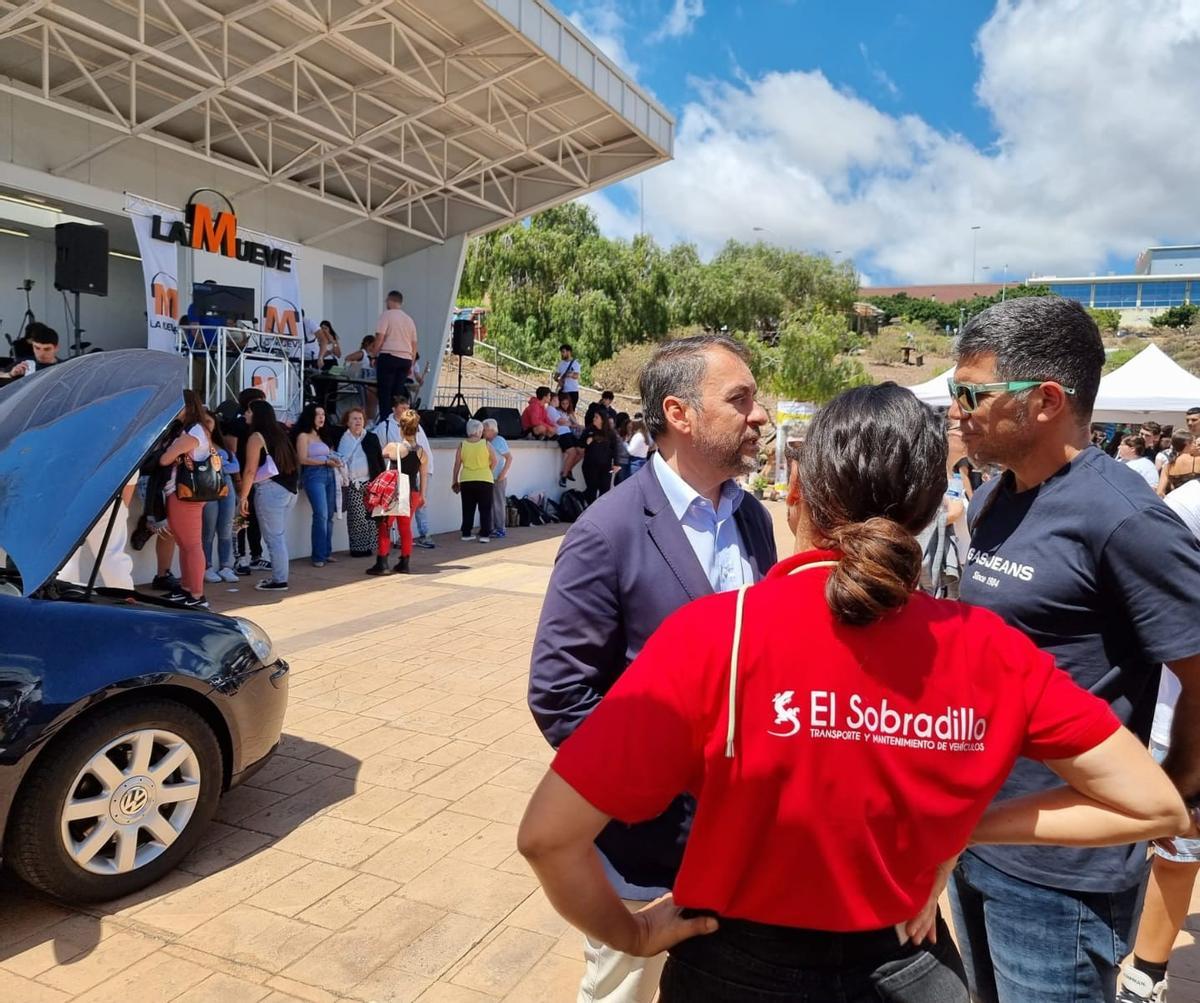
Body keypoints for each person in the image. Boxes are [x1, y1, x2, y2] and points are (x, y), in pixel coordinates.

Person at [519, 383, 1190, 1003]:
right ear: (929, 506)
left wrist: (632, 936)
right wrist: (955, 830)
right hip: (911, 963)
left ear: (798, 490)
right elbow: (1155, 805)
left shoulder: (718, 633)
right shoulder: (989, 647)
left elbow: (548, 838)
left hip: (733, 968)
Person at [946, 296, 1200, 1003]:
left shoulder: (1124, 517)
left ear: (1046, 401)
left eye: (973, 393)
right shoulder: (999, 493)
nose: (959, 409)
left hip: (1064, 872)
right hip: (978, 835)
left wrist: (1176, 784)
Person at [529, 333, 778, 1003]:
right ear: (680, 413)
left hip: (743, 847)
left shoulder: (753, 518)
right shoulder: (606, 531)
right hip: (646, 863)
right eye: (741, 399)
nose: (761, 414)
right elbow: (559, 694)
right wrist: (651, 799)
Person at [158, 389, 213, 609]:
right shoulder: (196, 429)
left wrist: (170, 448)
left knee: (191, 545)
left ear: (187, 407)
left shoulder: (193, 432)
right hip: (184, 493)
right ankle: (187, 588)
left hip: (185, 495)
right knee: (184, 544)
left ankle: (197, 595)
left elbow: (164, 459)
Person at [238, 400, 300, 592]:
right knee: (278, 536)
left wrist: (243, 497)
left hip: (270, 490)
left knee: (274, 538)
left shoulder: (256, 437)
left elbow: (249, 470)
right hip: (288, 490)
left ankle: (280, 580)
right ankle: (280, 577)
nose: (245, 415)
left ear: (257, 414)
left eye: (248, 411)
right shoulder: (280, 433)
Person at [369, 409, 428, 575]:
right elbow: (424, 475)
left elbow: (381, 453)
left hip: (394, 492)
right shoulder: (422, 452)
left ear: (400, 428)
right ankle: (405, 562)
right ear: (417, 429)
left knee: (385, 526)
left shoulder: (393, 448)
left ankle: (382, 562)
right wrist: (423, 495)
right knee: (406, 528)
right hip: (412, 492)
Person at [376, 393, 436, 548]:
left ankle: (423, 534)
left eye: (408, 407)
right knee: (391, 520)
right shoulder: (385, 427)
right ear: (394, 408)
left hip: (413, 474)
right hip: (395, 478)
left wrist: (427, 469)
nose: (406, 410)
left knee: (413, 511)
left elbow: (424, 449)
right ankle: (395, 547)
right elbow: (380, 450)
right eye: (403, 407)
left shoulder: (416, 428)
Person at [223, 387, 268, 573]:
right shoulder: (237, 424)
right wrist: (238, 478)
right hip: (241, 478)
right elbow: (231, 451)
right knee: (240, 518)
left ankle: (256, 556)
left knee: (254, 519)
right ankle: (239, 558)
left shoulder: (260, 426)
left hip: (256, 479)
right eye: (261, 400)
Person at [293, 404, 341, 567]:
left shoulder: (324, 436)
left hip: (329, 474)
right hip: (314, 475)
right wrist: (325, 461)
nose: (321, 418)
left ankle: (326, 551)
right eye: (317, 415)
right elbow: (302, 459)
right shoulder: (303, 436)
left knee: (328, 515)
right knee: (320, 514)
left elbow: (331, 453)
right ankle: (318, 555)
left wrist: (334, 460)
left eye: (323, 414)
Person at [337, 407, 382, 557]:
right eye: (354, 419)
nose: (358, 421)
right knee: (357, 517)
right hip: (353, 483)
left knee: (371, 517)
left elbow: (378, 461)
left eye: (360, 418)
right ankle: (358, 549)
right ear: (347, 422)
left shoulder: (371, 437)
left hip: (370, 482)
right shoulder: (343, 439)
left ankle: (371, 547)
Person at [201, 410, 239, 585]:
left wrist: (220, 465)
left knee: (226, 527)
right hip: (207, 486)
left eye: (209, 421)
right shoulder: (197, 445)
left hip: (227, 485)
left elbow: (235, 467)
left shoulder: (221, 445)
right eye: (203, 422)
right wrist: (222, 465)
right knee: (208, 529)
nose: (207, 425)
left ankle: (226, 566)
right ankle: (206, 566)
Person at [373, 290, 418, 426]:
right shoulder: (409, 320)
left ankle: (385, 423)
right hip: (405, 359)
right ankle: (398, 421)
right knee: (398, 393)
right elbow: (414, 344)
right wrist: (411, 363)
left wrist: (374, 355)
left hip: (389, 356)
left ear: (390, 300)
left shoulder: (386, 315)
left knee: (385, 393)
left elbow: (380, 338)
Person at [452, 419, 497, 543]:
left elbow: (457, 464)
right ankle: (484, 534)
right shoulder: (485, 444)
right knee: (485, 508)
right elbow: (495, 460)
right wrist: (488, 470)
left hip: (467, 479)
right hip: (485, 479)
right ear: (479, 431)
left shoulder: (462, 444)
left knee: (467, 508)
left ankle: (466, 533)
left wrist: (454, 480)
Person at [483, 418, 512, 540]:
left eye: (484, 430)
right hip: (488, 477)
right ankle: (490, 527)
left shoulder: (499, 441)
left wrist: (503, 473)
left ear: (491, 430)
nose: (483, 432)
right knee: (489, 503)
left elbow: (509, 458)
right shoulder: (485, 442)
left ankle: (500, 528)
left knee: (498, 503)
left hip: (498, 477)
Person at [581, 406, 617, 504]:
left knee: (605, 490)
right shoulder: (588, 430)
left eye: (596, 417)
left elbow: (615, 449)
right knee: (591, 489)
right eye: (594, 417)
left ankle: (602, 513)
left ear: (602, 419)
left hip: (606, 466)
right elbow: (580, 443)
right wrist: (587, 441)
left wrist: (617, 463)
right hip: (590, 465)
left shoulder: (610, 433)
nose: (594, 419)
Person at [1157, 430, 1200, 496]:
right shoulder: (1197, 460)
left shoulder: (1168, 466)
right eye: (1194, 443)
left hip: (1179, 502)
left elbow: (1159, 493)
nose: (1196, 446)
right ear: (1187, 443)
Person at [554, 343, 582, 409]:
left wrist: (569, 375)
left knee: (570, 411)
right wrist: (559, 381)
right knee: (560, 410)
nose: (562, 354)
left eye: (563, 352)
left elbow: (577, 376)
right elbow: (556, 376)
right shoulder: (561, 363)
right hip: (563, 391)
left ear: (569, 352)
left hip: (572, 391)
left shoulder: (575, 363)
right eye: (561, 352)